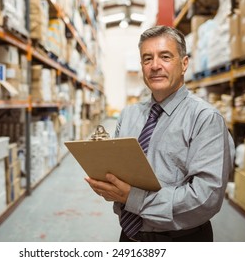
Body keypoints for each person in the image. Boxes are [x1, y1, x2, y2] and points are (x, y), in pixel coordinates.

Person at [85, 25, 235, 242]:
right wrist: (108, 185)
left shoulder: (205, 119)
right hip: (129, 235)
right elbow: (120, 175)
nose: (155, 66)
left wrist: (132, 198)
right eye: (147, 59)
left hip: (181, 240)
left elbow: (206, 198)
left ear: (184, 64)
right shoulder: (128, 115)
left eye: (165, 56)